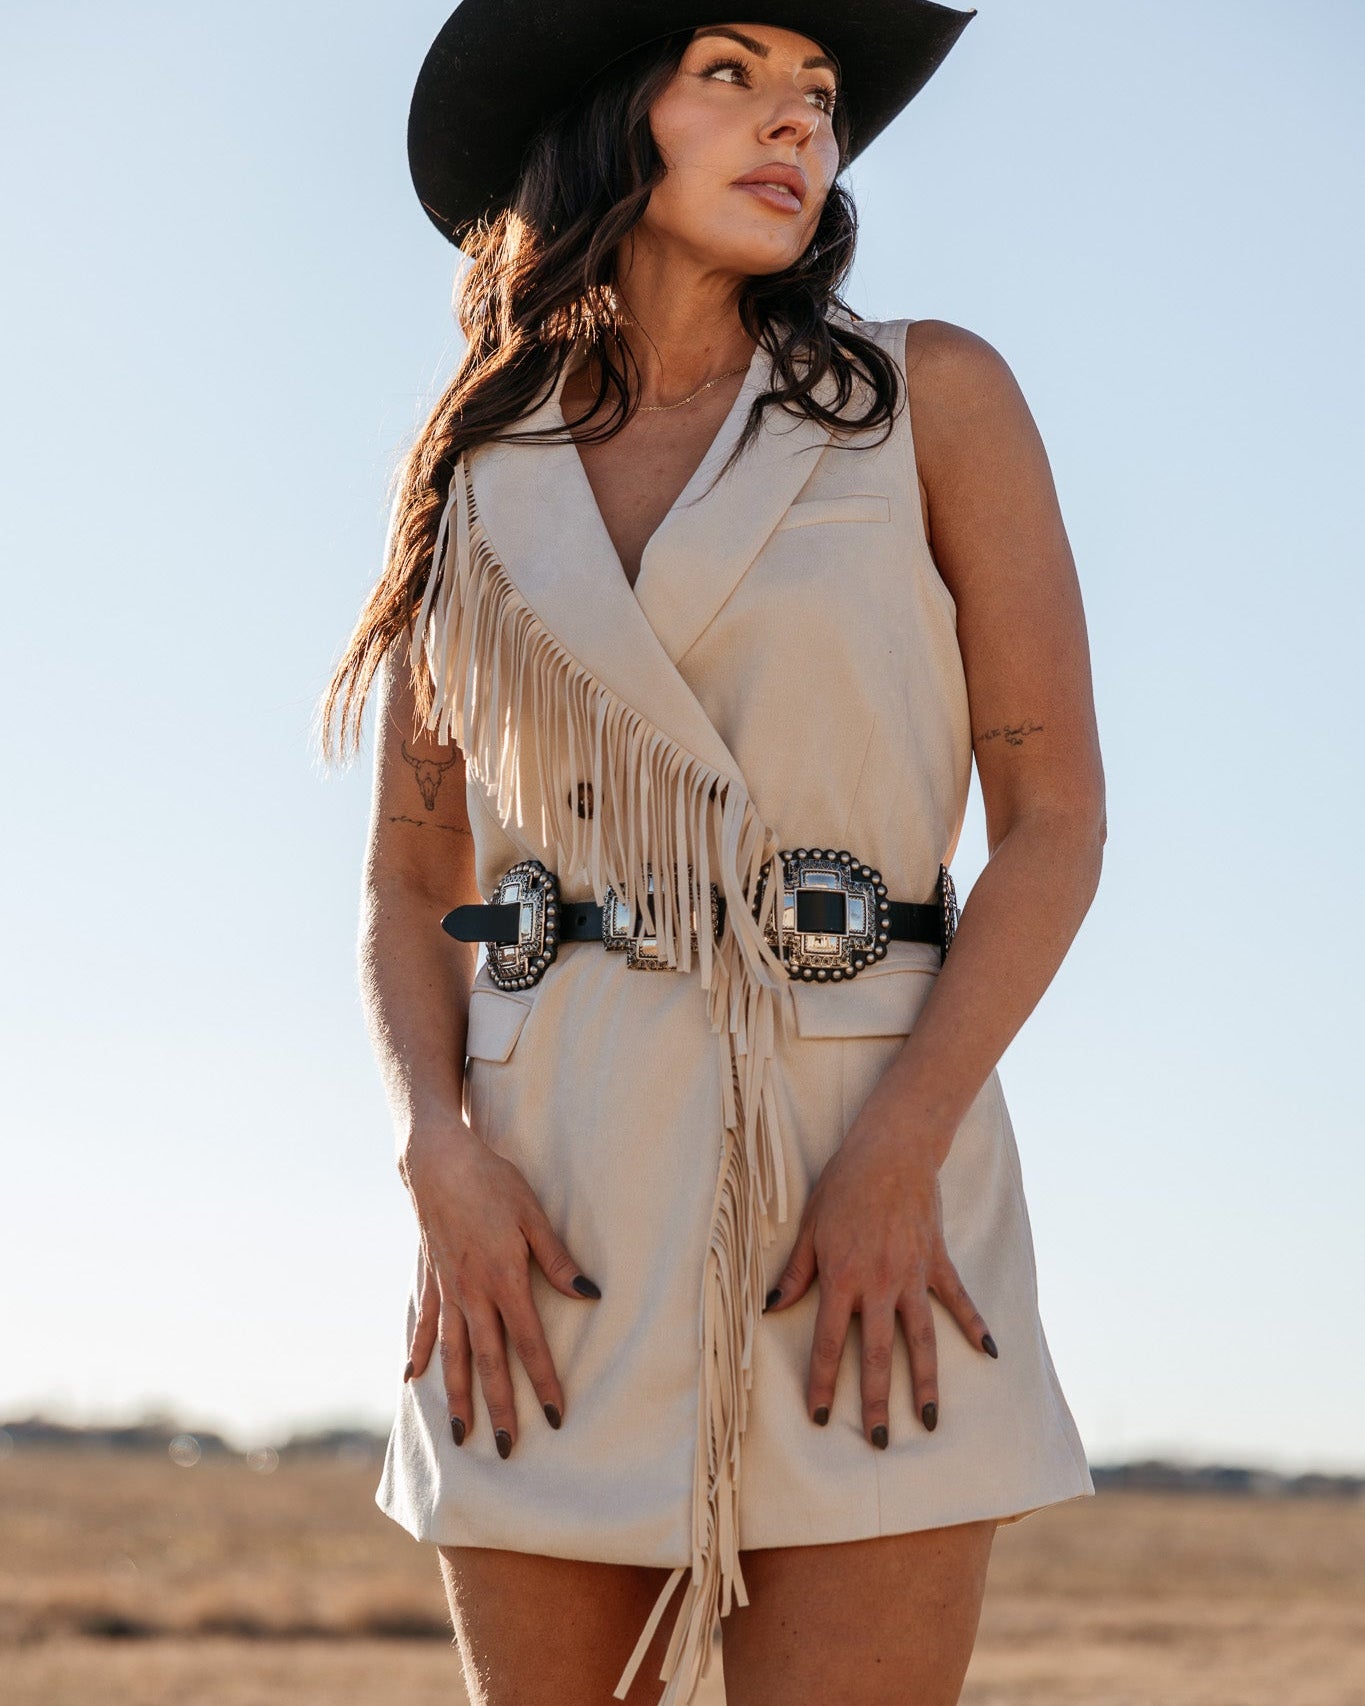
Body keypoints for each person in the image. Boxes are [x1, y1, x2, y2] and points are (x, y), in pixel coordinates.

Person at [317, 3, 1107, 1702]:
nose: (796, 122)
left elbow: (1053, 825)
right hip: (542, 1206)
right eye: (731, 76)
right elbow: (408, 876)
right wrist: (432, 1150)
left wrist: (903, 1146)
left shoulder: (928, 397)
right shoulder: (474, 466)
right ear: (609, 117)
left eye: (815, 93)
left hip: (865, 1180)